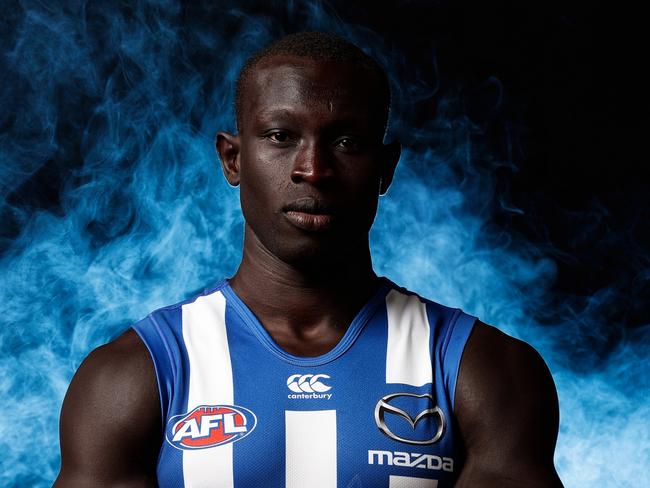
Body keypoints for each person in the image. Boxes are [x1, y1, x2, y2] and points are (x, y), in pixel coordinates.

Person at [54, 31, 563, 487]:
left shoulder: (484, 372)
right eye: (281, 136)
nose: (313, 170)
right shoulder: (132, 376)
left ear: (384, 169)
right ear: (233, 158)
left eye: (347, 142)